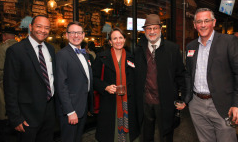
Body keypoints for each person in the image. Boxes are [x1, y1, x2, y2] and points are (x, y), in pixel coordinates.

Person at [185, 8, 238, 142]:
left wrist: (236, 104)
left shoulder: (228, 41)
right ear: (194, 25)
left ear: (213, 22)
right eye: (199, 21)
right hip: (196, 104)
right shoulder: (190, 46)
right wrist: (187, 99)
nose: (203, 25)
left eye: (206, 20)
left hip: (222, 105)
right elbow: (188, 74)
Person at [3, 15, 56, 142]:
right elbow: (10, 86)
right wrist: (15, 117)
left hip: (49, 111)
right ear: (31, 27)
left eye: (47, 28)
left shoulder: (50, 49)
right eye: (39, 26)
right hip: (27, 115)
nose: (43, 30)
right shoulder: (16, 51)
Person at [134, 14, 186, 142]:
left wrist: (182, 98)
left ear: (160, 29)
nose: (152, 32)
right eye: (149, 29)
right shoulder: (139, 50)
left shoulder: (172, 49)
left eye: (155, 28)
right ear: (144, 31)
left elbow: (181, 75)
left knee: (166, 134)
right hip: (145, 102)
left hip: (165, 101)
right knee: (146, 135)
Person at [92, 27, 140, 142]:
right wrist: (105, 87)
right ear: (110, 42)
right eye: (115, 38)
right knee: (110, 135)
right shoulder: (101, 57)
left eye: (120, 37)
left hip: (128, 103)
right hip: (109, 102)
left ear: (124, 39)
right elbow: (93, 78)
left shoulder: (132, 58)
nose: (118, 41)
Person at [56, 21, 93, 142]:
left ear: (83, 35)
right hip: (71, 108)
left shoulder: (86, 55)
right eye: (72, 32)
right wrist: (70, 111)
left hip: (82, 106)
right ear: (66, 35)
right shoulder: (62, 55)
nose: (76, 35)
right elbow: (61, 85)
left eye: (79, 33)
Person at [0, 27, 17, 142]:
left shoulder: (2, 48)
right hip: (18, 86)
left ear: (4, 36)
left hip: (4, 86)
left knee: (3, 111)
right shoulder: (21, 47)